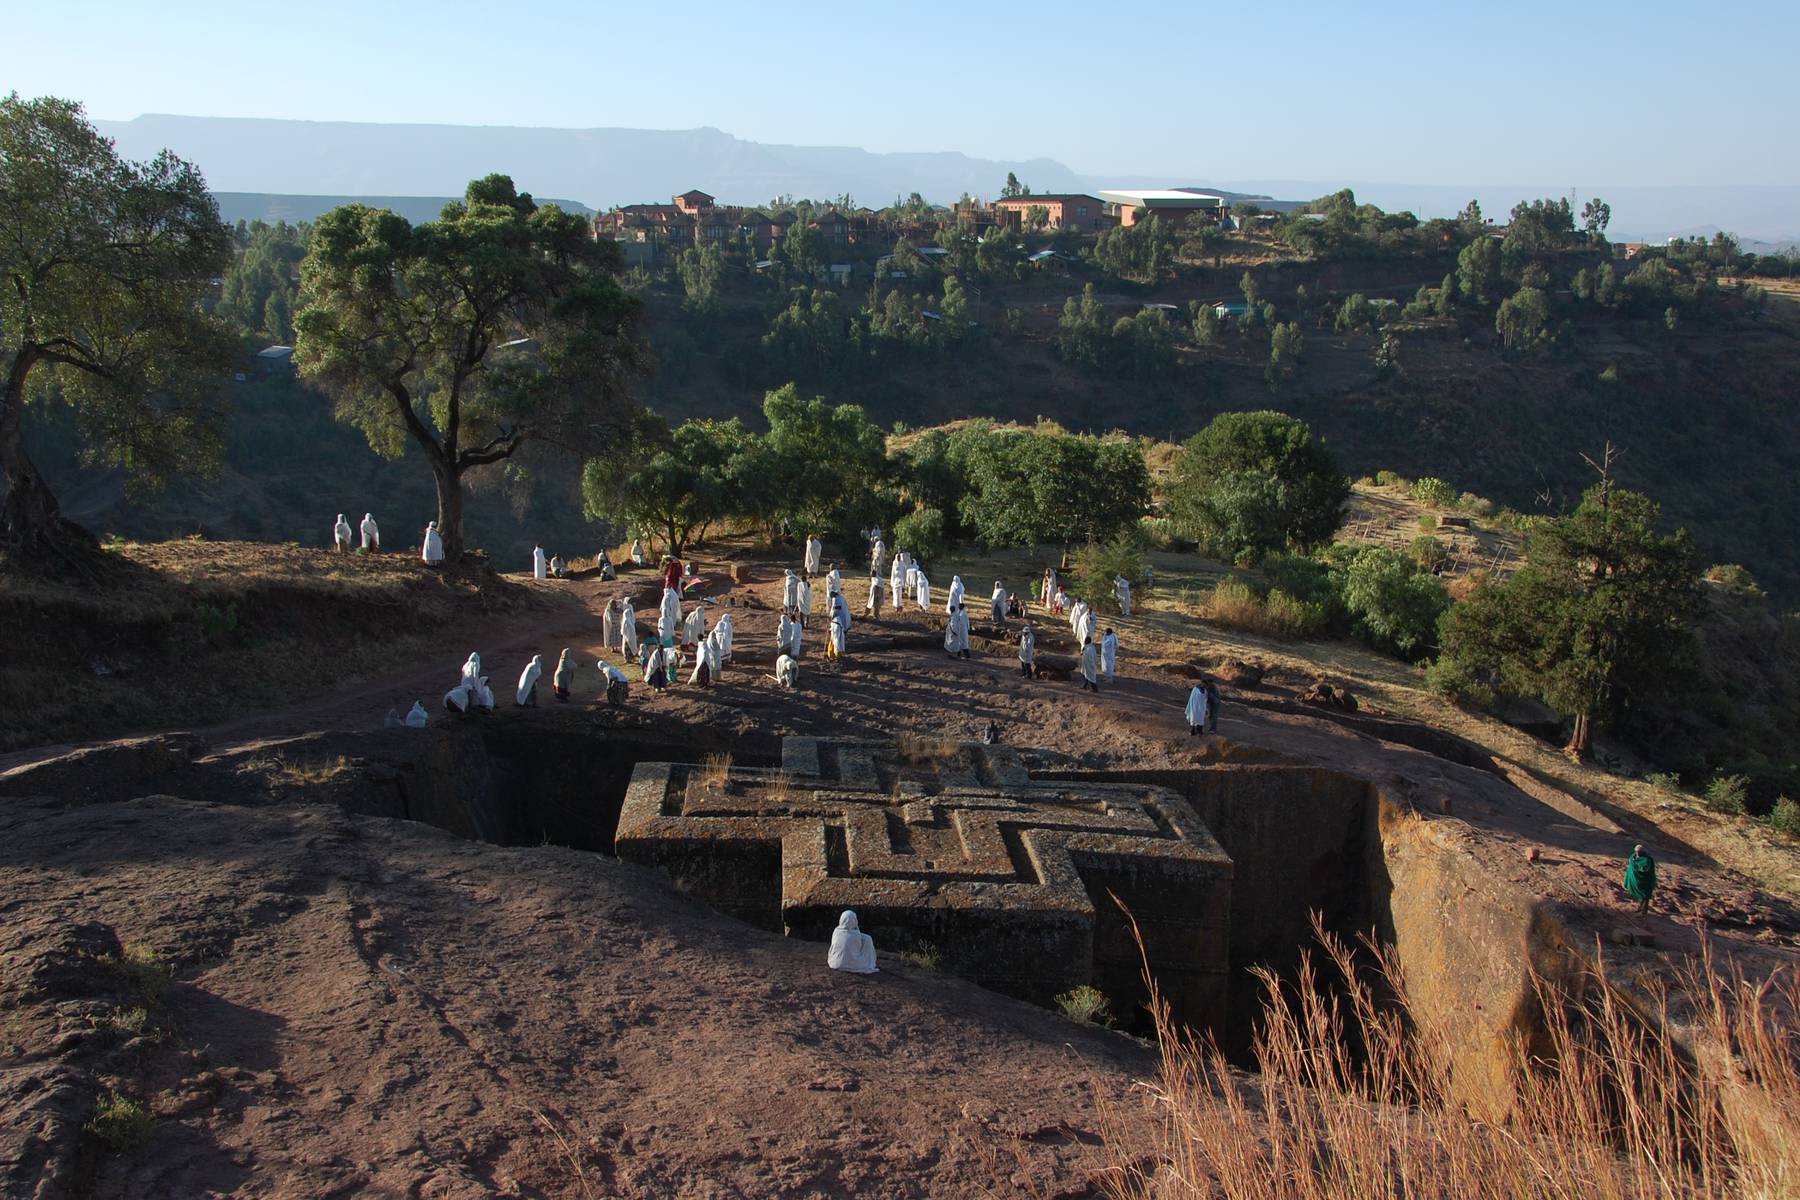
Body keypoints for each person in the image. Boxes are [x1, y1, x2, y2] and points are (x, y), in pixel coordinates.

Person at [1624, 844, 1657, 914]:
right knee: (1640, 896)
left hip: (1646, 880)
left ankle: (1644, 911)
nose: (1637, 853)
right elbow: (1631, 864)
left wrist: (1637, 869)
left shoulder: (1647, 859)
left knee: (1645, 895)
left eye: (1639, 852)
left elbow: (1648, 870)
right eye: (1636, 851)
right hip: (1636, 880)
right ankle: (1639, 908)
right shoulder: (1633, 857)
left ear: (1642, 851)